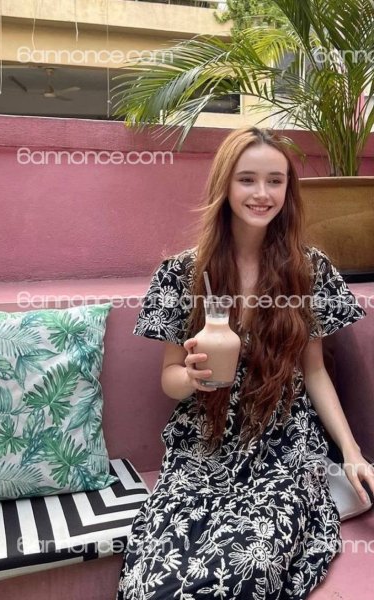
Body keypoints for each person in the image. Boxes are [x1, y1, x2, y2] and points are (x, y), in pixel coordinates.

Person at [116, 127, 374, 599]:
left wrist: (353, 452)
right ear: (225, 185)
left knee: (249, 565)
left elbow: (314, 372)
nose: (262, 194)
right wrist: (192, 377)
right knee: (154, 575)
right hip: (204, 443)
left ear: (288, 190)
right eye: (247, 179)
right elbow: (170, 379)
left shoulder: (309, 270)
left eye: (275, 181)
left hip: (283, 444)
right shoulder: (183, 274)